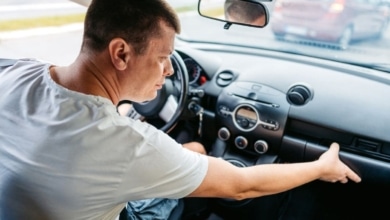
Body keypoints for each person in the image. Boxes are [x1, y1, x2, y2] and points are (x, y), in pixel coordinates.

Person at [0, 0, 361, 220]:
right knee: (191, 166)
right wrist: (320, 167)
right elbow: (240, 186)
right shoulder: (125, 145)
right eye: (163, 59)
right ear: (121, 53)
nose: (171, 72)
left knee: (193, 152)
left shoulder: (16, 73)